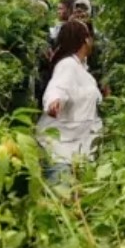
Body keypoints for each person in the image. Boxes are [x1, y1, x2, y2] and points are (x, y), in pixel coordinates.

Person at [38, 19, 103, 180]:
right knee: (60, 199)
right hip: (59, 152)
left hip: (73, 151)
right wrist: (54, 102)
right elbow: (57, 87)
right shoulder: (67, 65)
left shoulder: (80, 67)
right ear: (85, 40)